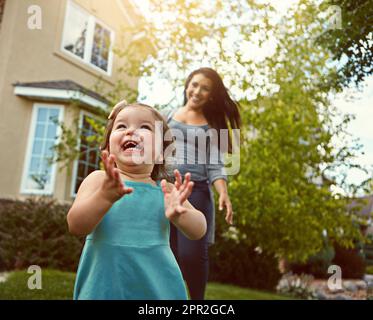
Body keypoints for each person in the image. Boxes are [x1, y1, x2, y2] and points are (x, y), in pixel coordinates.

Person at [67, 101, 207, 300]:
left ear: (160, 152)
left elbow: (199, 229)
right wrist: (103, 197)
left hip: (158, 291)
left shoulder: (165, 190)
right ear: (108, 147)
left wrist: (181, 215)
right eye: (121, 126)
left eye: (145, 127)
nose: (131, 131)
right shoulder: (99, 180)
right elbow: (75, 225)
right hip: (104, 289)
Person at [164, 67, 241, 300]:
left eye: (205, 88)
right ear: (187, 85)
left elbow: (215, 165)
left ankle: (197, 302)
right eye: (194, 84)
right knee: (168, 253)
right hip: (166, 189)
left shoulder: (213, 125)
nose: (197, 91)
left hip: (196, 192)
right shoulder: (166, 114)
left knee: (191, 254)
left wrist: (223, 194)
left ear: (212, 95)